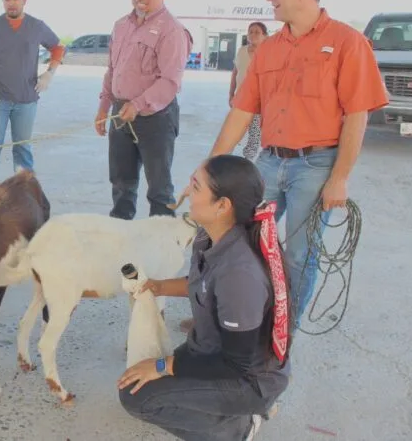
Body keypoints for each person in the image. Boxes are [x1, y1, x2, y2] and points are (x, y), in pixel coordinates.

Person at [209, 0, 388, 323]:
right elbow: (243, 111)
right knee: (240, 239)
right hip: (269, 161)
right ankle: (235, 317)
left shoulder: (347, 43)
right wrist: (212, 167)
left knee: (298, 255)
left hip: (317, 166)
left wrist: (339, 178)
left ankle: (281, 336)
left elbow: (357, 115)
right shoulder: (269, 49)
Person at [118, 155, 292, 441]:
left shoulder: (240, 274)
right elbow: (204, 285)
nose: (188, 190)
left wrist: (163, 366)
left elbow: (236, 365)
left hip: (245, 379)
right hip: (210, 352)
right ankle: (229, 415)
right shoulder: (211, 235)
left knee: (136, 397)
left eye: (196, 187)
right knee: (139, 377)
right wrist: (157, 287)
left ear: (223, 206)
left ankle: (240, 428)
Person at [95, 0, 191, 219]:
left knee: (159, 191)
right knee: (121, 185)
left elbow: (169, 82)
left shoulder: (172, 31)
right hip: (120, 114)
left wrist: (137, 105)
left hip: (155, 119)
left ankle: (160, 253)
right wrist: (104, 107)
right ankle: (121, 245)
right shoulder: (120, 26)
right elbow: (112, 70)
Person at [0, 0, 65, 184]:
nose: (11, 3)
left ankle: (26, 192)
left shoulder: (37, 26)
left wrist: (49, 73)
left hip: (26, 98)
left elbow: (58, 48)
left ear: (24, 1)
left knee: (22, 146)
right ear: (3, 1)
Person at [229, 22, 268, 161]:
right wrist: (231, 94)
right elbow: (235, 73)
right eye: (250, 32)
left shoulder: (268, 52)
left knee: (255, 133)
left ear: (265, 35)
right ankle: (227, 157)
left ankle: (248, 160)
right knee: (233, 130)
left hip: (259, 101)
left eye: (257, 32)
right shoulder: (241, 51)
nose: (253, 35)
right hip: (240, 99)